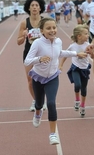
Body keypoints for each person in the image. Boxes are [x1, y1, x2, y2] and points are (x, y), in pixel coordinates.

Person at [24, 17, 87, 145]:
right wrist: (39, 59)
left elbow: (60, 53)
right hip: (38, 77)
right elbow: (27, 61)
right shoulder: (37, 43)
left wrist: (76, 54)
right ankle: (37, 113)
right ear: (42, 31)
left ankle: (53, 134)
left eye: (54, 27)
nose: (52, 30)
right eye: (48, 28)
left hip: (52, 77)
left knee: (51, 103)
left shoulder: (58, 41)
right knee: (39, 103)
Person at [17, 0, 46, 112]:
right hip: (29, 53)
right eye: (32, 5)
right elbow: (18, 42)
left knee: (42, 79)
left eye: (36, 5)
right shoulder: (24, 23)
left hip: (42, 53)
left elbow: (52, 36)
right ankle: (36, 101)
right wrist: (23, 35)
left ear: (40, 8)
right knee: (30, 80)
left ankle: (42, 100)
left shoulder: (45, 22)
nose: (34, 7)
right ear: (28, 8)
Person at [59, 25, 91, 117]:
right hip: (75, 68)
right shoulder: (73, 46)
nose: (88, 35)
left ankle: (83, 106)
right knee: (77, 85)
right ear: (79, 36)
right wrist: (61, 65)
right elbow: (65, 55)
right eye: (85, 34)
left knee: (84, 89)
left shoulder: (88, 45)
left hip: (85, 69)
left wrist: (91, 53)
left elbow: (93, 56)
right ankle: (77, 100)